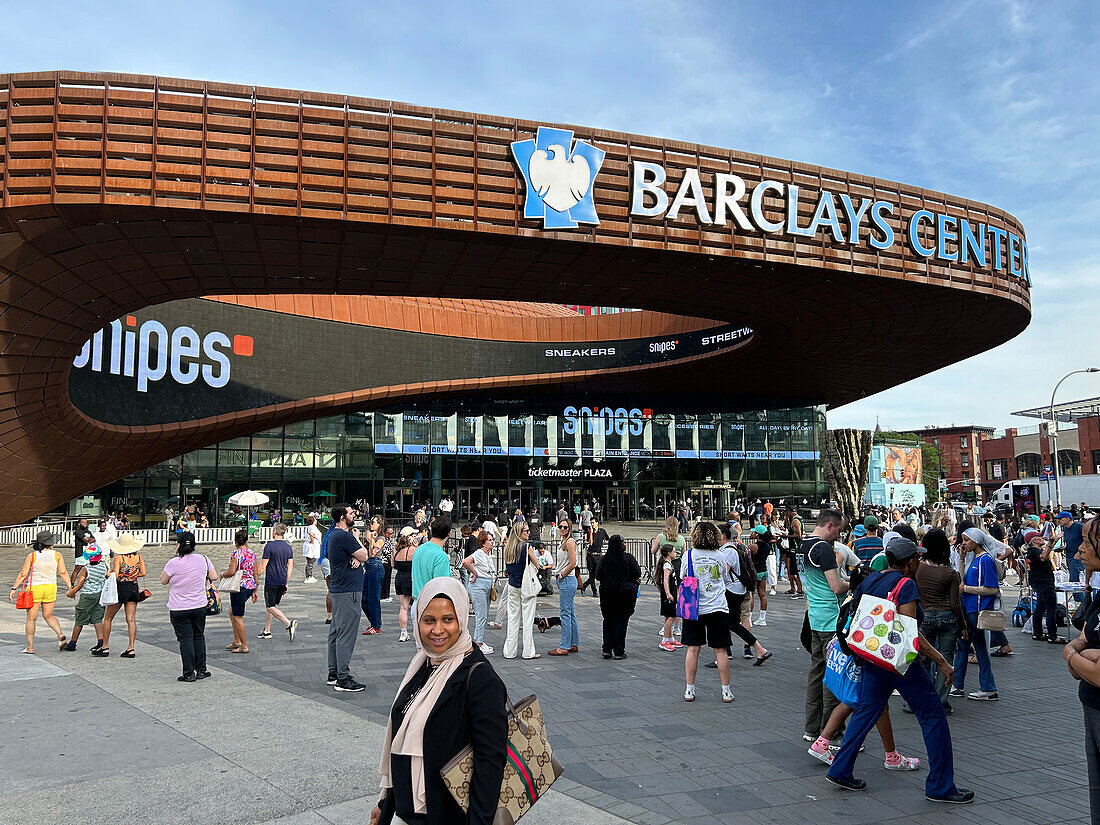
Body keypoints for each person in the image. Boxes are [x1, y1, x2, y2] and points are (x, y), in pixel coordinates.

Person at [826, 538, 973, 804]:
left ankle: (840, 768)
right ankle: (940, 786)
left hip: (869, 655)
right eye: (918, 558)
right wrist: (941, 661)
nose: (921, 562)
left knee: (866, 710)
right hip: (898, 662)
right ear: (909, 562)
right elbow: (910, 633)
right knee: (932, 716)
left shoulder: (872, 579)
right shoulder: (906, 585)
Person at [370, 577, 507, 825]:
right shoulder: (424, 663)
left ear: (462, 620)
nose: (437, 630)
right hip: (405, 809)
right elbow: (402, 738)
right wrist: (385, 804)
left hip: (444, 815)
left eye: (448, 620)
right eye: (429, 620)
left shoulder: (479, 679)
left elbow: (490, 763)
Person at [795, 508, 849, 741]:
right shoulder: (823, 549)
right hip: (830, 619)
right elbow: (836, 587)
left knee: (816, 673)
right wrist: (855, 582)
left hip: (814, 617)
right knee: (832, 677)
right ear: (830, 525)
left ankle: (811, 728)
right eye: (839, 530)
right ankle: (831, 732)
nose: (839, 535)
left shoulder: (802, 546)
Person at [1062, 517, 1100, 823]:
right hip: (1091, 703)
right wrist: (1083, 654)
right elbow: (1085, 644)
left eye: (1087, 542)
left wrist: (1071, 653)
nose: (1080, 550)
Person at [679, 522, 734, 702]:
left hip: (694, 608)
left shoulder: (688, 555)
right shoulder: (720, 556)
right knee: (721, 651)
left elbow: (683, 577)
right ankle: (726, 691)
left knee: (693, 649)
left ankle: (689, 689)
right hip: (717, 606)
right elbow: (725, 578)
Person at [915, 528, 966, 712]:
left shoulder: (918, 568)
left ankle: (919, 700)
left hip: (924, 617)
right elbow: (955, 603)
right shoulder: (951, 573)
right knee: (945, 660)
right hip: (947, 618)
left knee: (923, 660)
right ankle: (940, 703)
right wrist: (963, 626)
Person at [706, 522, 770, 668]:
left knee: (723, 622)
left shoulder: (727, 551)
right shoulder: (728, 548)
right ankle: (759, 649)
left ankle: (723, 656)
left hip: (731, 591)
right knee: (732, 624)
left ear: (722, 536)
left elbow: (723, 574)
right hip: (736, 590)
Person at [950, 527, 1001, 701]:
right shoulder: (975, 558)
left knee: (969, 648)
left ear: (976, 541)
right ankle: (975, 686)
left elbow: (992, 589)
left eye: (966, 540)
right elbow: (962, 578)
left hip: (976, 610)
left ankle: (969, 686)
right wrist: (962, 560)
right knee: (972, 648)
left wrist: (966, 589)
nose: (963, 544)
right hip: (970, 609)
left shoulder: (985, 560)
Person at [160, 530, 218, 682]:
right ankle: (201, 669)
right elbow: (214, 576)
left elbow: (163, 580)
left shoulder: (173, 563)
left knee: (185, 639)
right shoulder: (203, 559)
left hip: (179, 607)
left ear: (178, 545)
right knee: (198, 636)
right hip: (199, 605)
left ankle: (188, 672)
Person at [326, 504, 369, 691]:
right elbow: (366, 555)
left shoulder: (333, 535)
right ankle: (343, 678)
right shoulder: (344, 535)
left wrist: (355, 558)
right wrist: (357, 540)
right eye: (351, 513)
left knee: (336, 632)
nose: (354, 515)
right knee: (346, 634)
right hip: (348, 591)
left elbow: (335, 556)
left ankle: (334, 673)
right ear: (343, 517)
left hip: (338, 590)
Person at [9, 530, 72, 653]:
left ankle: (30, 647)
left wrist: (14, 588)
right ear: (50, 543)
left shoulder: (32, 556)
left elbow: (23, 574)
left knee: (31, 619)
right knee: (49, 615)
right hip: (50, 587)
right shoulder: (57, 555)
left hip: (34, 588)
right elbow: (63, 572)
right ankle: (59, 634)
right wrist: (70, 587)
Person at [595, 533, 642, 661]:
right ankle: (619, 650)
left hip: (607, 594)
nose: (625, 545)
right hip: (624, 595)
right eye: (623, 543)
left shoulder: (604, 559)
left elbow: (598, 576)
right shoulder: (628, 558)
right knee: (621, 622)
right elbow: (637, 572)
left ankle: (607, 649)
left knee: (608, 621)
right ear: (619, 544)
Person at [100, 533, 146, 658]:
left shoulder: (119, 558)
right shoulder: (139, 557)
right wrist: (132, 574)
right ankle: (131, 648)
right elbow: (143, 573)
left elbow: (116, 573)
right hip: (133, 587)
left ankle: (105, 647)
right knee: (130, 619)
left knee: (108, 618)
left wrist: (108, 575)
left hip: (121, 588)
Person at [503, 520, 541, 660]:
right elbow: (537, 564)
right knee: (527, 619)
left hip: (513, 585)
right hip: (526, 586)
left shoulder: (509, 547)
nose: (529, 533)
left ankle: (510, 652)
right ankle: (528, 652)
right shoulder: (527, 547)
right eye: (526, 531)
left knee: (513, 619)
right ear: (520, 533)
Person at [256, 523, 298, 642]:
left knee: (270, 606)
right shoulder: (288, 547)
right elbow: (290, 566)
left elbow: (263, 565)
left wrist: (255, 577)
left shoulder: (269, 546)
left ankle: (288, 623)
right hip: (282, 580)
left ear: (274, 532)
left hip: (271, 580)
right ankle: (267, 630)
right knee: (271, 606)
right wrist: (287, 582)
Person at [218, 529, 257, 654]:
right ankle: (236, 640)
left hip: (239, 586)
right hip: (250, 586)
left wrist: (222, 574)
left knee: (237, 615)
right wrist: (255, 589)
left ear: (236, 540)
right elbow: (255, 572)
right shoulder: (252, 553)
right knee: (232, 611)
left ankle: (243, 645)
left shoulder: (236, 554)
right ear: (246, 540)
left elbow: (232, 571)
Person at [63, 540, 107, 652]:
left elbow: (79, 585)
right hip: (100, 595)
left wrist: (70, 593)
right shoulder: (104, 566)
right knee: (97, 618)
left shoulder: (85, 569)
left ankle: (73, 643)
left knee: (80, 619)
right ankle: (101, 642)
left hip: (87, 596)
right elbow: (108, 576)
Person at [1025, 528, 1063, 643]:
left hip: (1037, 582)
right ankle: (1053, 636)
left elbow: (1045, 552)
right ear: (1034, 541)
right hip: (1044, 582)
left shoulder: (1031, 551)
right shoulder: (1035, 552)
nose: (1042, 538)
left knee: (1040, 607)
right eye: (1039, 537)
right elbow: (1044, 556)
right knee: (1051, 608)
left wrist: (1054, 540)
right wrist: (1052, 542)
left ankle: (1037, 633)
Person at [462, 530, 496, 654]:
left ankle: (479, 640)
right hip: (479, 585)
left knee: (484, 614)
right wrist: (474, 572)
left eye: (492, 540)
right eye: (490, 540)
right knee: (481, 615)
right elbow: (465, 561)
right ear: (483, 542)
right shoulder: (479, 553)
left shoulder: (487, 555)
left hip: (486, 585)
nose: (492, 542)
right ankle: (478, 642)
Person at [548, 519, 579, 656]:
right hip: (566, 580)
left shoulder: (570, 542)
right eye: (560, 526)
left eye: (565, 527)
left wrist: (562, 575)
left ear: (570, 528)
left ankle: (564, 646)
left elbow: (573, 563)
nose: (562, 529)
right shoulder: (564, 542)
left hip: (567, 579)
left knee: (565, 614)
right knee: (570, 613)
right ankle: (573, 644)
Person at [412, 517, 453, 600]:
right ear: (449, 533)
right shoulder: (441, 556)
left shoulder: (419, 549)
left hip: (417, 601)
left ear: (431, 531)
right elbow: (441, 588)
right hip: (432, 603)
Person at [362, 516, 387, 635]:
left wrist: (371, 539)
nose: (371, 524)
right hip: (368, 566)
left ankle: (376, 625)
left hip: (375, 566)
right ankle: (375, 620)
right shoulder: (371, 536)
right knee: (364, 598)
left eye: (373, 522)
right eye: (370, 522)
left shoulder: (381, 538)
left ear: (379, 524)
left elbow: (373, 552)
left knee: (373, 597)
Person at [656, 543, 682, 652]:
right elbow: (665, 580)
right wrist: (668, 593)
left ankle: (670, 638)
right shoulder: (667, 565)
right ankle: (664, 640)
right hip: (669, 593)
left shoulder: (668, 563)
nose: (675, 553)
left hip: (669, 592)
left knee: (668, 615)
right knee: (672, 615)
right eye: (674, 551)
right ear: (668, 553)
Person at [393, 532, 416, 642]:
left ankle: (403, 632)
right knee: (417, 603)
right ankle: (417, 629)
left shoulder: (396, 551)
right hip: (410, 578)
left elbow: (393, 565)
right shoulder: (412, 550)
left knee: (403, 607)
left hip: (399, 578)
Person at [749, 525, 772, 625]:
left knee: (751, 595)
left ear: (758, 535)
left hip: (755, 572)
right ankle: (762, 618)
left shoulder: (754, 546)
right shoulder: (767, 546)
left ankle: (748, 618)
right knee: (762, 594)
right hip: (764, 571)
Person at [581, 518, 610, 596]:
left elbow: (608, 539)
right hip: (590, 555)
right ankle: (594, 591)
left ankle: (584, 585)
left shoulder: (602, 531)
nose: (592, 524)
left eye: (593, 523)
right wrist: (590, 533)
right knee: (591, 574)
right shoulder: (589, 531)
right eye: (591, 523)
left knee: (596, 573)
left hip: (598, 555)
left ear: (597, 523)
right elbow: (590, 543)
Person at [302, 515, 322, 583]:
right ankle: (308, 576)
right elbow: (311, 534)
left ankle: (309, 575)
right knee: (310, 561)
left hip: (309, 545)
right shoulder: (312, 527)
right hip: (311, 546)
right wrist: (312, 541)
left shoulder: (309, 527)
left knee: (310, 561)